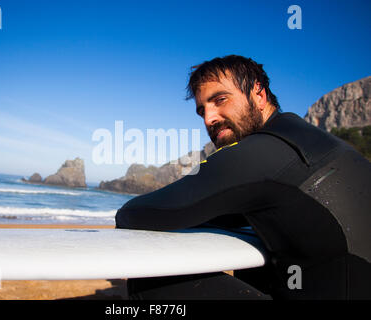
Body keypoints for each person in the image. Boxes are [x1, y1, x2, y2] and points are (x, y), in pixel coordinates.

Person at [115, 55, 371, 300]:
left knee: (153, 275)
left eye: (220, 100)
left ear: (258, 95)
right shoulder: (313, 141)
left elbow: (135, 213)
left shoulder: (263, 150)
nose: (209, 118)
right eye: (201, 110)